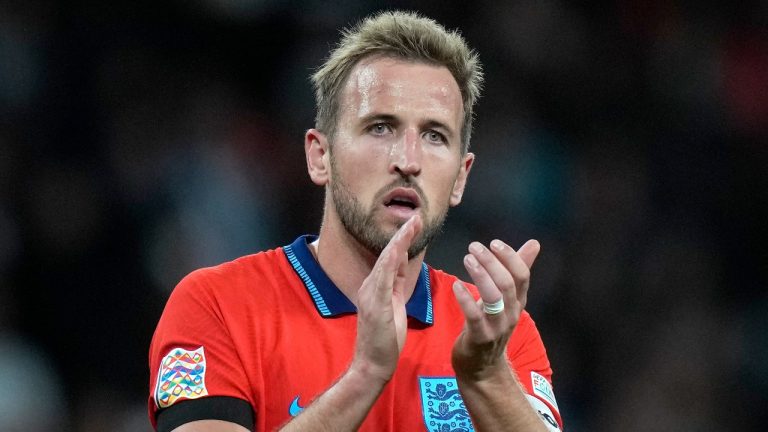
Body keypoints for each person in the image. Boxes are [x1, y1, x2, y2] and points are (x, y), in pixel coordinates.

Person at [148, 10, 563, 432]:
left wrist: (487, 377)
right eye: (381, 127)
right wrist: (365, 375)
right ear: (319, 156)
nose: (408, 161)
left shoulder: (498, 337)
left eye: (435, 135)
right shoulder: (216, 305)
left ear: (460, 178)